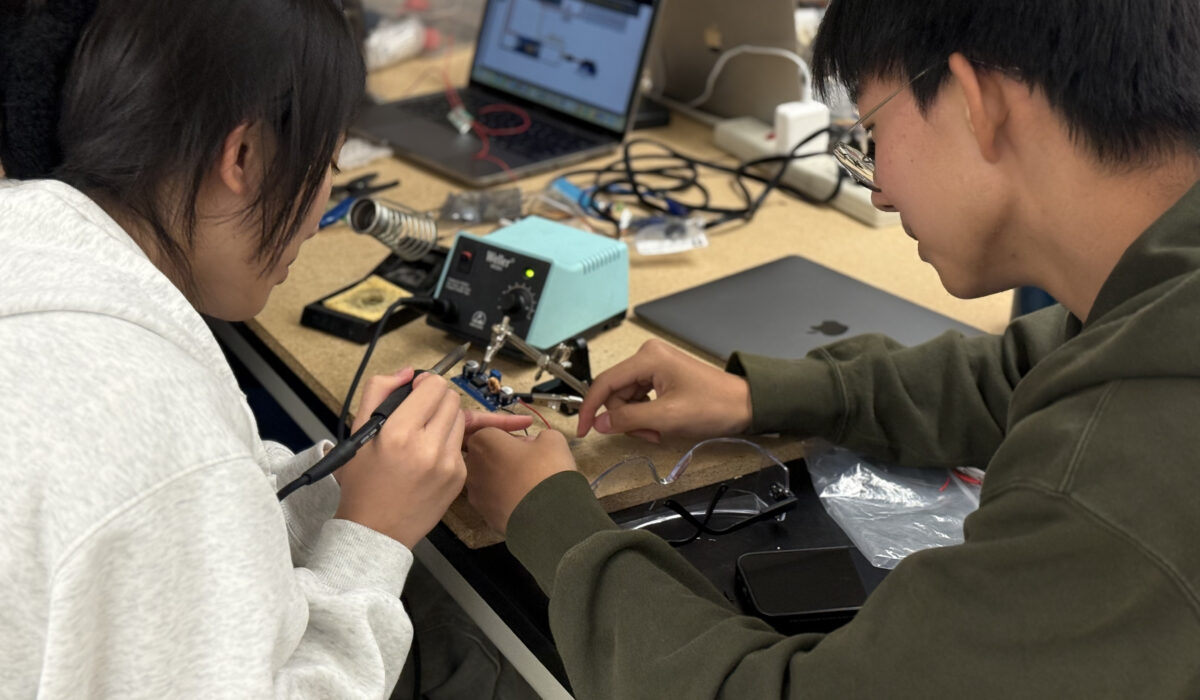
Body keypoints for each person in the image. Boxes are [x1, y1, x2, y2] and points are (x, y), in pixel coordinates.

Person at [462, 0, 1200, 697]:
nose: (877, 188)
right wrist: (758, 398)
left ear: (979, 102)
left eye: (870, 135)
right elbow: (1014, 372)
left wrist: (547, 517)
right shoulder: (1156, 289)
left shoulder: (1111, 482)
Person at [0, 1, 530, 697]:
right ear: (245, 156)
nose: (319, 212)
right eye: (329, 162)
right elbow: (175, 488)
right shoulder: (159, 434)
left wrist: (345, 475)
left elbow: (197, 519)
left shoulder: (36, 244)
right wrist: (374, 537)